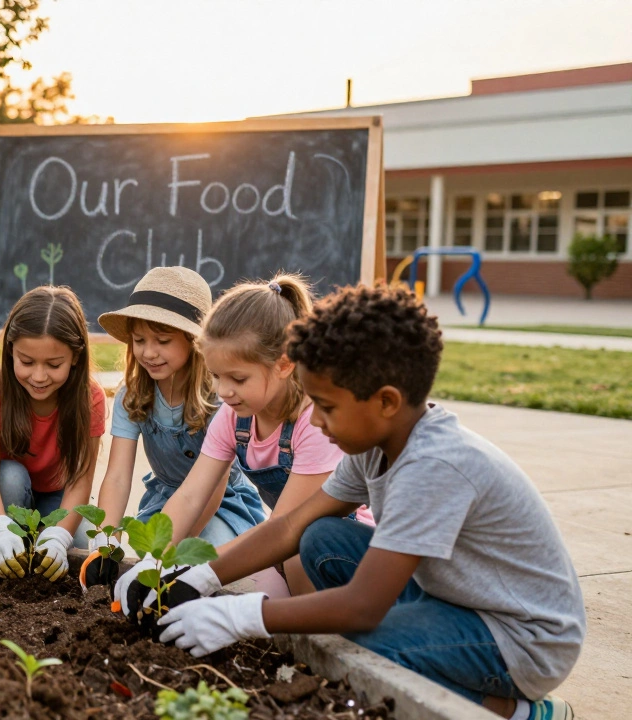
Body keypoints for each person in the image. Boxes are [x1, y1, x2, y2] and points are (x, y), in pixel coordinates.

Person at [140, 284, 584, 720]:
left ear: (386, 401)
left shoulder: (433, 466)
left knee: (361, 645)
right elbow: (291, 525)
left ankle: (516, 711)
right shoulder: (376, 445)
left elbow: (363, 606)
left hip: (523, 638)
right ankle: (428, 646)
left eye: (327, 406)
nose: (313, 419)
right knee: (322, 537)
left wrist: (242, 615)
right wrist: (200, 575)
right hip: (460, 600)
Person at [117, 274, 347, 600]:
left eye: (237, 378)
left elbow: (285, 526)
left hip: (335, 549)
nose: (223, 391)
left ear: (283, 365)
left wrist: (203, 574)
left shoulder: (312, 423)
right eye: (215, 376)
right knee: (247, 591)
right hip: (282, 539)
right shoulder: (232, 414)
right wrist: (154, 559)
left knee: (294, 559)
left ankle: (316, 639)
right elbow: (190, 495)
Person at [90, 267, 265, 548]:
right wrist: (105, 538)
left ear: (194, 341)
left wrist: (176, 549)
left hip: (222, 504)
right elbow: (118, 477)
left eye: (163, 341)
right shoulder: (132, 396)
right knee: (139, 561)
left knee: (204, 556)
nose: (148, 352)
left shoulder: (219, 401)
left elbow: (212, 492)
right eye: (139, 340)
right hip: (164, 498)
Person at [0, 286, 106, 582]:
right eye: (27, 362)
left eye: (54, 365)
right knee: (10, 476)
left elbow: (81, 480)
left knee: (80, 546)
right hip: (5, 499)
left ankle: (42, 542)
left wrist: (59, 536)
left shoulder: (90, 398)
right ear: (10, 350)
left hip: (57, 497)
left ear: (76, 357)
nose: (39, 376)